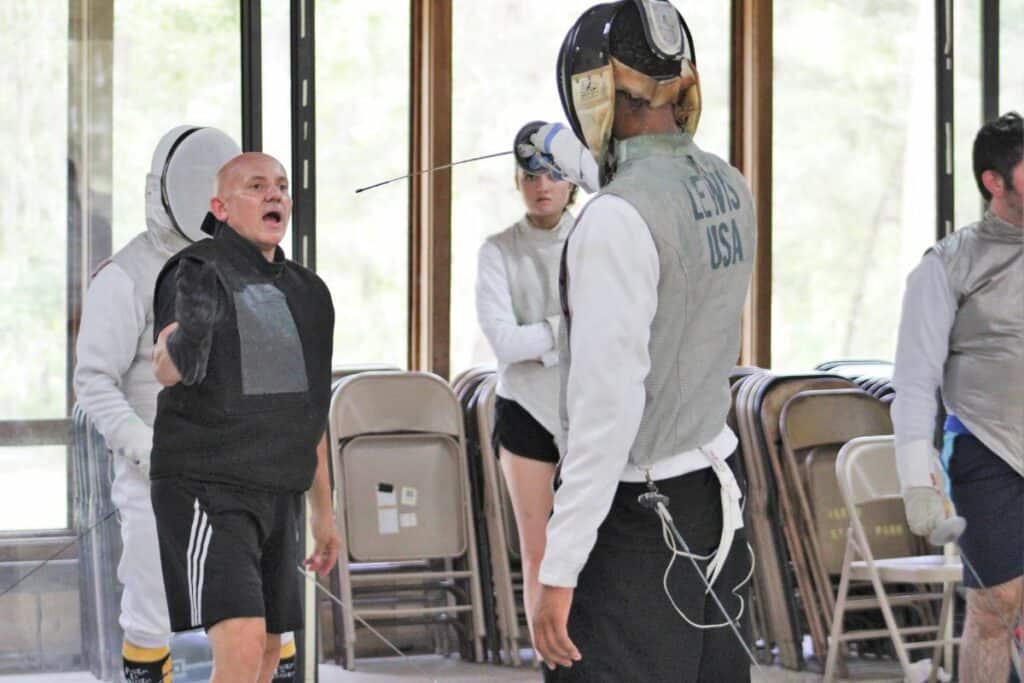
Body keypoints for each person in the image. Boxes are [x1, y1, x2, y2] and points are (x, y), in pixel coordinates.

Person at [522, 1, 757, 680]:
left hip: (637, 524)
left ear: (592, 90)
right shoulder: (730, 185)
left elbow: (607, 408)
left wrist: (558, 566)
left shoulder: (614, 219)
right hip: (717, 506)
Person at [149, 152, 339, 683]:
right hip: (207, 485)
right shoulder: (197, 270)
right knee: (242, 640)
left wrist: (323, 512)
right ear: (221, 207)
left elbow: (311, 413)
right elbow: (165, 367)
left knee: (266, 654)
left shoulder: (310, 293)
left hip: (278, 492)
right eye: (256, 186)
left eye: (280, 186)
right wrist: (189, 337)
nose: (274, 194)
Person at [74, 125, 240, 682]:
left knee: (262, 623)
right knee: (150, 617)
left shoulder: (238, 265)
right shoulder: (126, 276)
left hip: (237, 480)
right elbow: (94, 380)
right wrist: (150, 449)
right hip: (154, 483)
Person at [893, 111, 1023, 683]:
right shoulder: (948, 264)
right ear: (995, 182)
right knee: (997, 604)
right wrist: (916, 480)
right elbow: (915, 380)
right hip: (987, 449)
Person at [475, 150, 578, 644]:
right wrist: (565, 331)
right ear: (518, 182)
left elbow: (617, 327)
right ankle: (550, 665)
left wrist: (541, 342)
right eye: (531, 175)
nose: (543, 185)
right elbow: (505, 344)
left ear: (572, 182)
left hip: (590, 409)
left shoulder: (593, 240)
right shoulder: (497, 250)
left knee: (594, 548)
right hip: (525, 411)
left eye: (554, 175)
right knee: (537, 551)